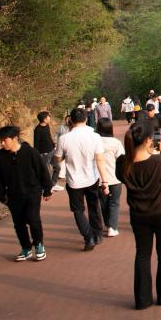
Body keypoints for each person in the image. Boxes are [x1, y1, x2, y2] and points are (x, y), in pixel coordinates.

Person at [121, 120, 161, 309]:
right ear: (148, 140)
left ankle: (143, 299)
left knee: (143, 254)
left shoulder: (123, 163)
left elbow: (122, 176)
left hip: (139, 214)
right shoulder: (159, 162)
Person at [0, 126, 52, 261]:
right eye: (1, 140)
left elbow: (42, 171)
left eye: (5, 140)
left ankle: (38, 244)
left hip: (32, 192)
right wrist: (2, 196)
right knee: (18, 223)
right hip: (13, 195)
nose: (2, 143)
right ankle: (26, 248)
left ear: (15, 138)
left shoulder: (30, 152)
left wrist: (47, 189)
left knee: (33, 218)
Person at [54, 107, 108, 250]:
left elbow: (57, 159)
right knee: (93, 206)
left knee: (78, 210)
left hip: (73, 181)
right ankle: (97, 234)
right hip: (92, 178)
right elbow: (100, 159)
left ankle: (88, 237)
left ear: (71, 120)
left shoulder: (64, 138)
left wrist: (64, 156)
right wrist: (105, 181)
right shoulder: (95, 136)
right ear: (86, 119)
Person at [96, 118, 125, 237]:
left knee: (103, 203)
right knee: (114, 203)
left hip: (99, 178)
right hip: (115, 177)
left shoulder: (95, 142)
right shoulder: (116, 143)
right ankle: (112, 227)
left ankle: (108, 224)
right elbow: (122, 159)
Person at [33, 111, 63, 192]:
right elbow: (36, 143)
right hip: (44, 153)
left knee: (57, 167)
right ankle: (47, 187)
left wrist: (53, 145)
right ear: (44, 119)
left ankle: (53, 184)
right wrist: (37, 154)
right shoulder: (38, 129)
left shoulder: (47, 126)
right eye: (48, 117)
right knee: (47, 171)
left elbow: (49, 137)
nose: (50, 118)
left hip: (51, 151)